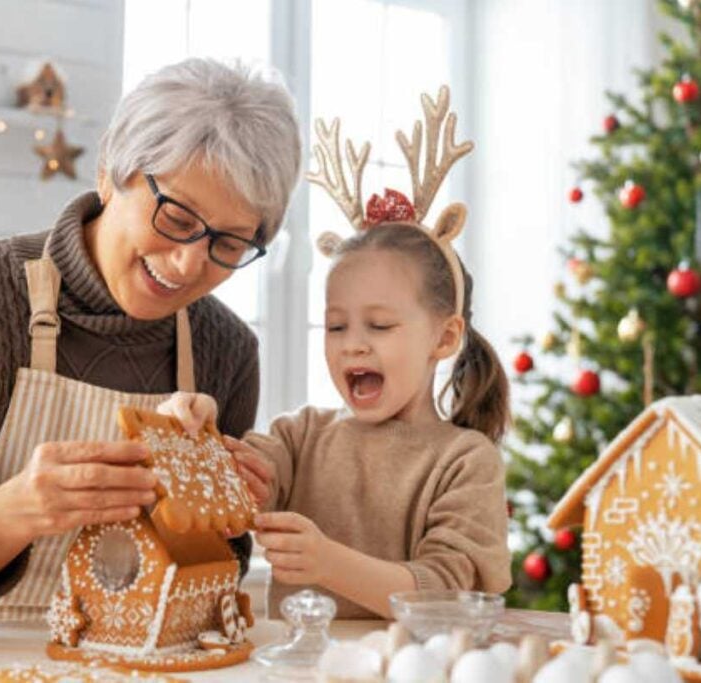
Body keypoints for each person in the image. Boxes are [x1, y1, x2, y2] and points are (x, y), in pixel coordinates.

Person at [0, 58, 301, 621]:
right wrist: (23, 507)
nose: (188, 262)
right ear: (109, 173)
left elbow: (221, 568)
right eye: (177, 216)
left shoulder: (226, 348)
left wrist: (223, 511)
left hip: (144, 663)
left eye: (229, 243)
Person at [159, 88, 512, 618]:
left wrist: (327, 563)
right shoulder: (299, 438)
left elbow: (447, 596)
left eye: (381, 324)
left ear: (444, 337)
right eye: (336, 325)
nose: (354, 343)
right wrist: (202, 435)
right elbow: (238, 486)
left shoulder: (464, 461)